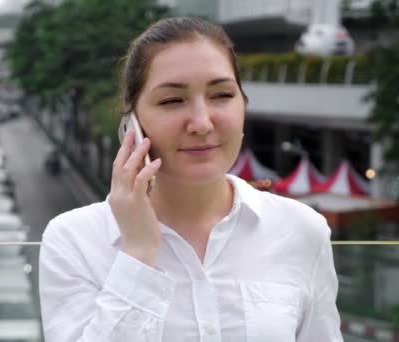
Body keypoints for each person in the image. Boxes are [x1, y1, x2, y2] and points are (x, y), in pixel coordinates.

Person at [38, 17, 342, 341]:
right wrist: (138, 254)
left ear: (243, 105)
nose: (201, 123)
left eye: (222, 94)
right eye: (172, 100)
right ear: (132, 123)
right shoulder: (74, 241)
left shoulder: (302, 230)